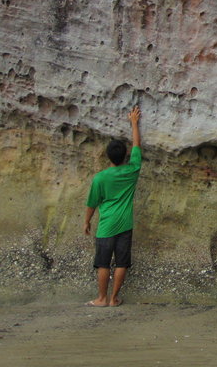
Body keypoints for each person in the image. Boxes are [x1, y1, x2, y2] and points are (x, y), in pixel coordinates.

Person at [84, 106, 142, 307]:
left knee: (102, 263)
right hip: (125, 225)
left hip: (106, 226)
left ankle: (101, 298)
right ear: (125, 156)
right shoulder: (132, 170)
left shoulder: (100, 178)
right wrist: (134, 122)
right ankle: (114, 298)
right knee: (121, 263)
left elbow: (92, 203)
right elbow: (137, 145)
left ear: (108, 157)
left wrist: (86, 222)